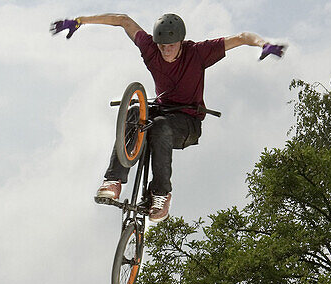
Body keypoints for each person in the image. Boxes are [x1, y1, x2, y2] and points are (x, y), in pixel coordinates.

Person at [50, 13, 286, 222]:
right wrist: (80, 21)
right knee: (134, 113)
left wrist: (264, 44)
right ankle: (114, 180)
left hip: (188, 122)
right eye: (161, 45)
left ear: (181, 42)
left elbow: (242, 37)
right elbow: (123, 20)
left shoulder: (198, 53)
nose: (165, 51)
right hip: (161, 112)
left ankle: (161, 193)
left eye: (171, 46)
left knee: (160, 127)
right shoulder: (151, 49)